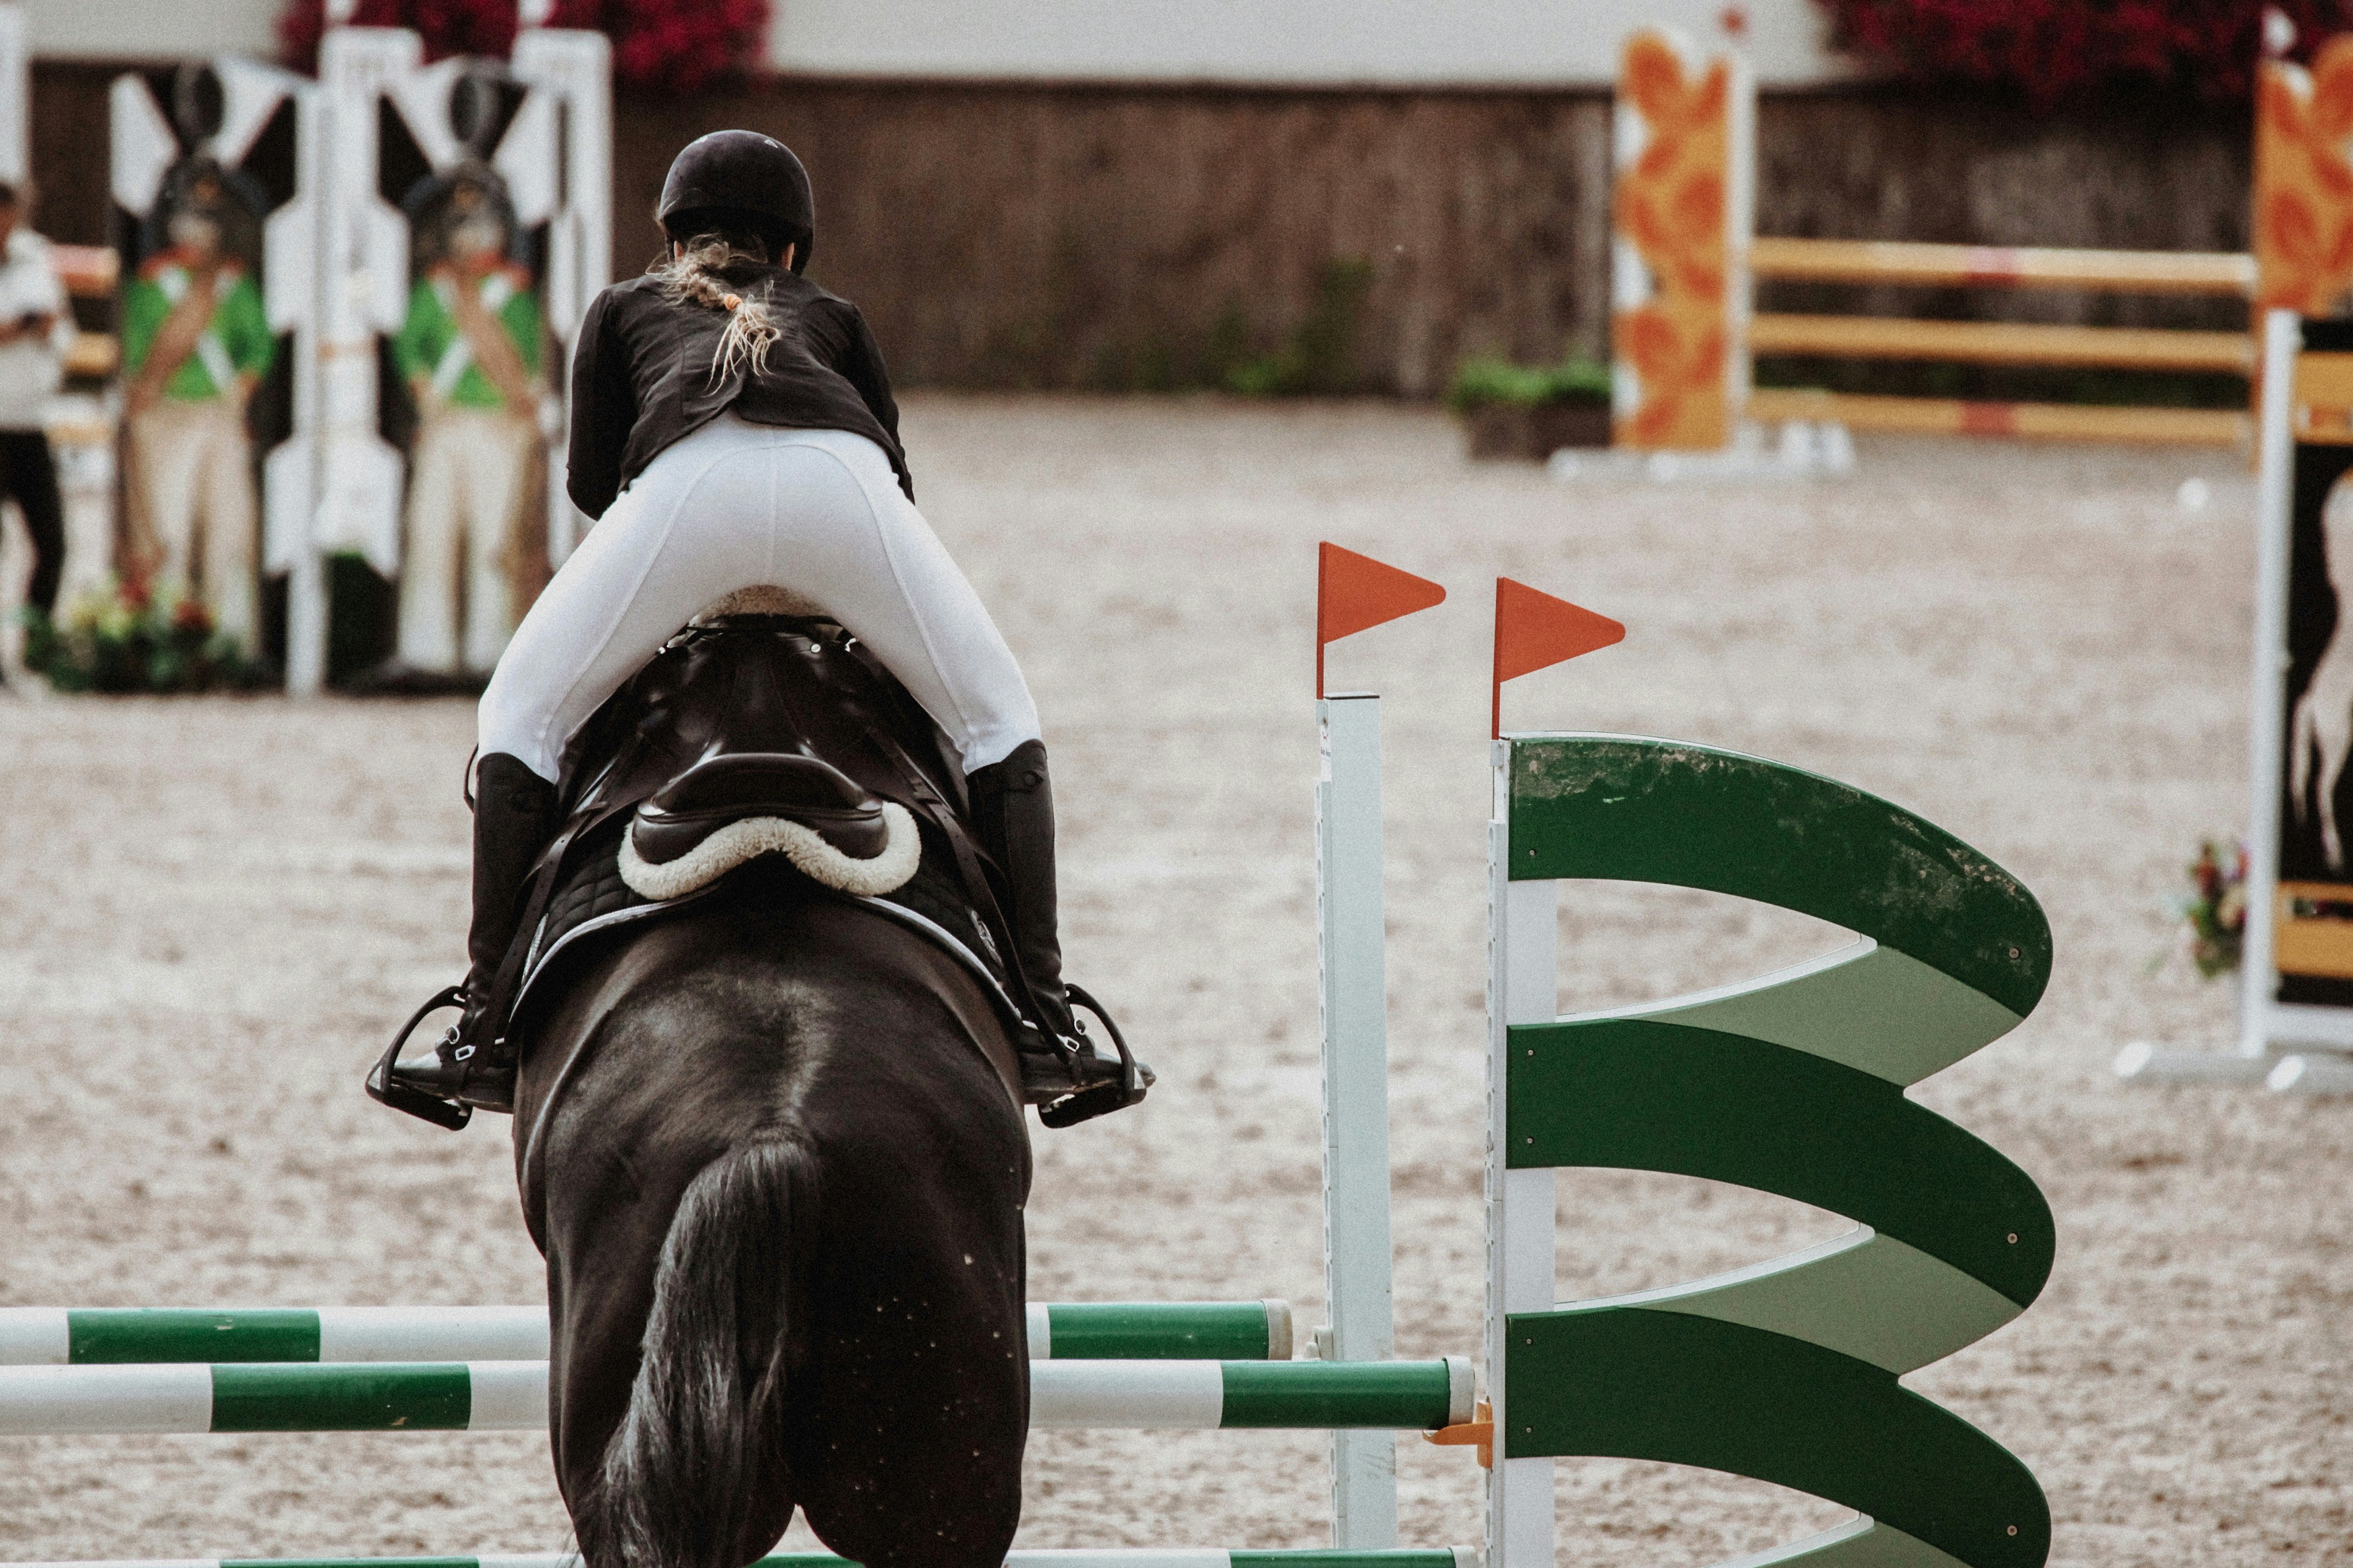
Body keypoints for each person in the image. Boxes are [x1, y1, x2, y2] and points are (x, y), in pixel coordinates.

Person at [395, 131, 1097, 1114]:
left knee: (519, 715)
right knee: (999, 722)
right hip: (839, 486)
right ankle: (1048, 1014)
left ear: (674, 239)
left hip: (689, 488)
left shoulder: (622, 308)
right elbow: (894, 470)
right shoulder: (835, 315)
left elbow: (596, 486)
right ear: (792, 252)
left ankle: (485, 1019)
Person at [390, 169, 545, 679]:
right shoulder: (434, 293)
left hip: (498, 426)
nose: (473, 238)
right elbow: (410, 346)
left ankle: (492, 652)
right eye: (462, 227)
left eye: (482, 225)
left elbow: (529, 360)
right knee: (432, 533)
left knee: (494, 541)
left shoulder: (514, 294)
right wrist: (423, 388)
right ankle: (426, 650)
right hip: (447, 423)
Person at [120, 169, 275, 650]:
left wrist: (240, 390)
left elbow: (259, 346)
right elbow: (135, 351)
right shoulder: (152, 285)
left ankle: (231, 641)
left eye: (206, 219)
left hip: (219, 415)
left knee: (229, 528)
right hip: (168, 414)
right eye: (188, 217)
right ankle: (162, 636)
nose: (196, 229)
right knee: (167, 526)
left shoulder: (234, 286)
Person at [0, 180, 68, 671]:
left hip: (28, 417)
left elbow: (59, 327)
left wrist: (38, 329)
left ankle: (36, 648)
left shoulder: (34, 262)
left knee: (53, 543)